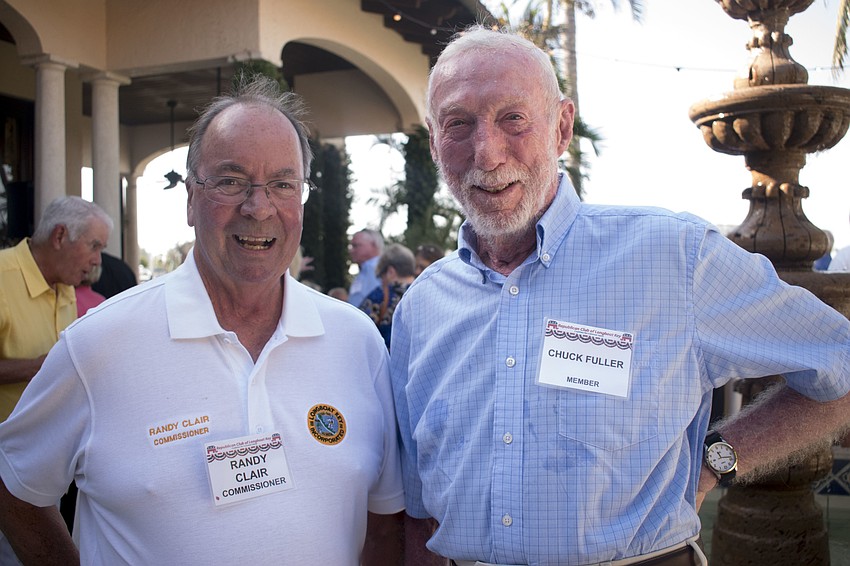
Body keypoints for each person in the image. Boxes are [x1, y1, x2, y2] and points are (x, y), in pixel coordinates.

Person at [389, 26, 850, 566]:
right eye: (458, 124)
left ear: (561, 127)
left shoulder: (675, 257)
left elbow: (841, 363)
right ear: (433, 140)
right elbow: (418, 511)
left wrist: (718, 459)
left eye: (512, 118)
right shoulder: (421, 308)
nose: (486, 153)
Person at [0, 76, 403, 565]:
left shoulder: (356, 342)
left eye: (283, 184)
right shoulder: (99, 344)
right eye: (231, 181)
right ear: (191, 198)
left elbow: (386, 518)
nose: (258, 208)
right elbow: (12, 483)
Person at [0, 195, 112, 564]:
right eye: (94, 246)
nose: (97, 260)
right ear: (60, 236)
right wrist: (42, 367)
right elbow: (51, 367)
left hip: (50, 476)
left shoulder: (64, 285)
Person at [359, 243, 417, 349]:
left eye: (381, 277)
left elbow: (359, 330)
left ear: (390, 272)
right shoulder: (426, 292)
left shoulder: (379, 295)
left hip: (389, 358)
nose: (382, 282)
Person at [348, 228, 383, 307]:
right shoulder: (365, 269)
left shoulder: (380, 269)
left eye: (356, 246)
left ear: (373, 245)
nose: (351, 251)